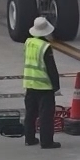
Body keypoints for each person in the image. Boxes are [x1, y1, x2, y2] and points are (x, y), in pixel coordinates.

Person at [22, 16, 61, 148]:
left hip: (30, 84)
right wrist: (56, 85)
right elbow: (51, 68)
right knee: (45, 115)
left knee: (30, 114)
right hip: (44, 86)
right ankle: (46, 141)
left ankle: (29, 138)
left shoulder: (28, 42)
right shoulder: (45, 46)